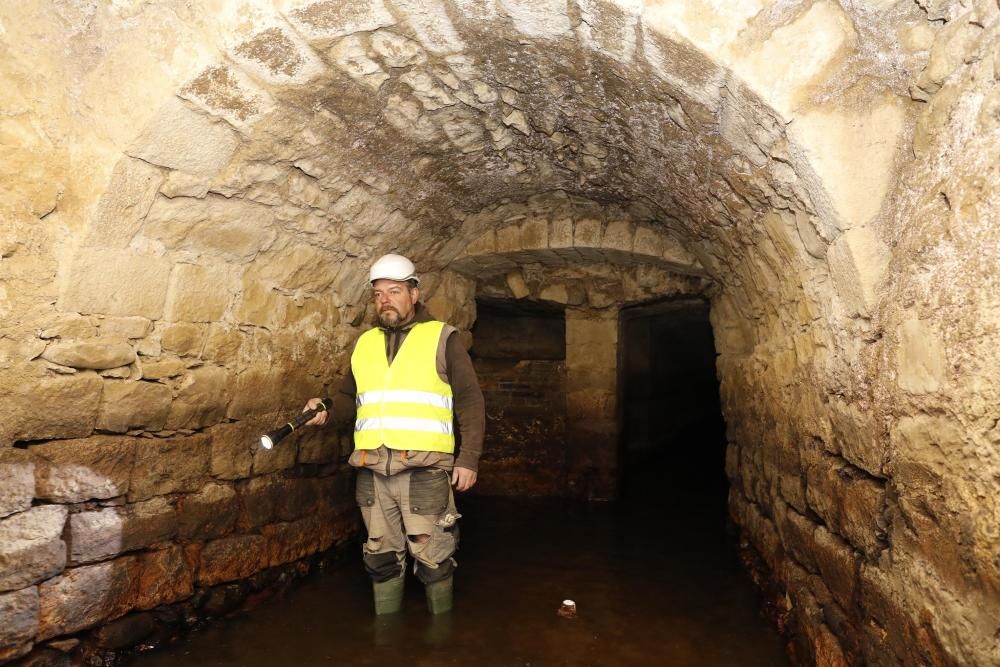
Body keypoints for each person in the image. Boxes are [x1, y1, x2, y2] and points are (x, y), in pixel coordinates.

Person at [303, 253, 485, 616]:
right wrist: (324, 413)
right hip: (372, 469)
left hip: (425, 469)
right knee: (380, 555)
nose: (385, 299)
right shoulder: (365, 343)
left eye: (395, 291)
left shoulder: (442, 338)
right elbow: (347, 400)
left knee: (432, 555)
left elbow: (470, 400)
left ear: (414, 294)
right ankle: (386, 639)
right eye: (378, 294)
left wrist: (469, 459)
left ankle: (440, 640)